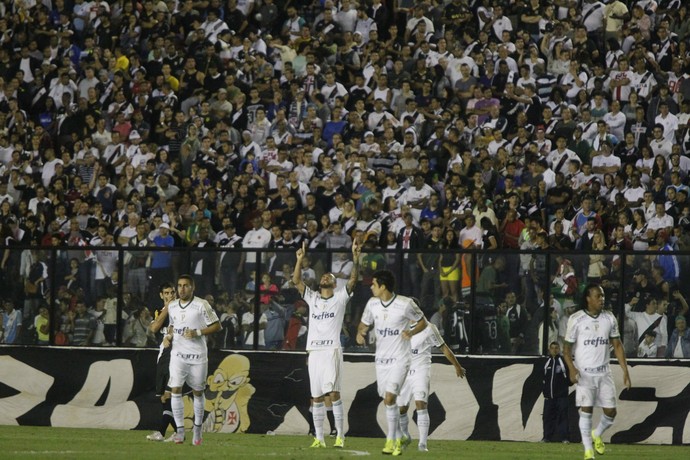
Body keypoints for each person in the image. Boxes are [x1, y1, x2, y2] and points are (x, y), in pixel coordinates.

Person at [293, 239, 361, 449]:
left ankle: (340, 435)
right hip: (315, 351)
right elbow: (296, 281)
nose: (324, 277)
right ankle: (319, 438)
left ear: (333, 283)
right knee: (316, 396)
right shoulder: (312, 297)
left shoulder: (340, 298)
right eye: (324, 275)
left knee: (333, 393)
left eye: (328, 277)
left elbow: (352, 281)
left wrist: (356, 259)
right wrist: (298, 260)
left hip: (331, 349)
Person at [357, 269, 428, 456]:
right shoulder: (372, 304)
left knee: (390, 398)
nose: (371, 287)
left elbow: (423, 322)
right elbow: (364, 323)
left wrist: (411, 332)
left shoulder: (405, 304)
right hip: (381, 361)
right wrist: (360, 332)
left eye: (373, 284)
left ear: (383, 286)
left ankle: (392, 440)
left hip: (400, 359)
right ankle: (400, 437)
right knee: (388, 402)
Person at [564, 284, 631, 460]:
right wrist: (572, 368)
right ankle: (588, 451)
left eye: (602, 296)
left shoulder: (609, 318)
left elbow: (617, 345)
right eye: (598, 296)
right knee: (586, 410)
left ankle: (597, 433)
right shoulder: (576, 319)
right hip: (585, 374)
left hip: (604, 373)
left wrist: (625, 370)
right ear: (588, 298)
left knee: (611, 412)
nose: (602, 299)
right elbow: (566, 349)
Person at [167, 275, 221, 445]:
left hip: (197, 356)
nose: (181, 289)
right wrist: (168, 335)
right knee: (175, 390)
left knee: (198, 392)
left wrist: (197, 332)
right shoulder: (172, 305)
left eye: (185, 286)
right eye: (179, 286)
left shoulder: (201, 305)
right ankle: (180, 432)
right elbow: (171, 325)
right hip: (178, 355)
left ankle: (197, 430)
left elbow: (217, 325)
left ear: (192, 288)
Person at [398, 318, 466, 452]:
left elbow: (444, 347)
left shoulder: (429, 328)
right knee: (401, 409)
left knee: (421, 405)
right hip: (404, 372)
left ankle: (422, 444)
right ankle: (405, 436)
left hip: (421, 371)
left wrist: (457, 366)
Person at [145, 283, 178, 442]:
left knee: (168, 395)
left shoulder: (179, 309)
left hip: (174, 355)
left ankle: (162, 432)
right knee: (165, 398)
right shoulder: (161, 311)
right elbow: (153, 327)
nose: (170, 295)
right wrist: (167, 309)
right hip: (163, 354)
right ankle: (178, 432)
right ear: (161, 295)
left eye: (172, 292)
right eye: (166, 293)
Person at [542, 342, 571, 443]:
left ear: (559, 350)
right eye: (552, 348)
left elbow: (569, 378)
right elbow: (543, 379)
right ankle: (546, 437)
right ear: (549, 350)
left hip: (561, 397)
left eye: (556, 348)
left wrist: (563, 389)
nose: (554, 350)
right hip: (549, 397)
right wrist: (545, 392)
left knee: (563, 417)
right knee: (547, 417)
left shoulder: (563, 362)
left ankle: (564, 438)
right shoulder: (547, 363)